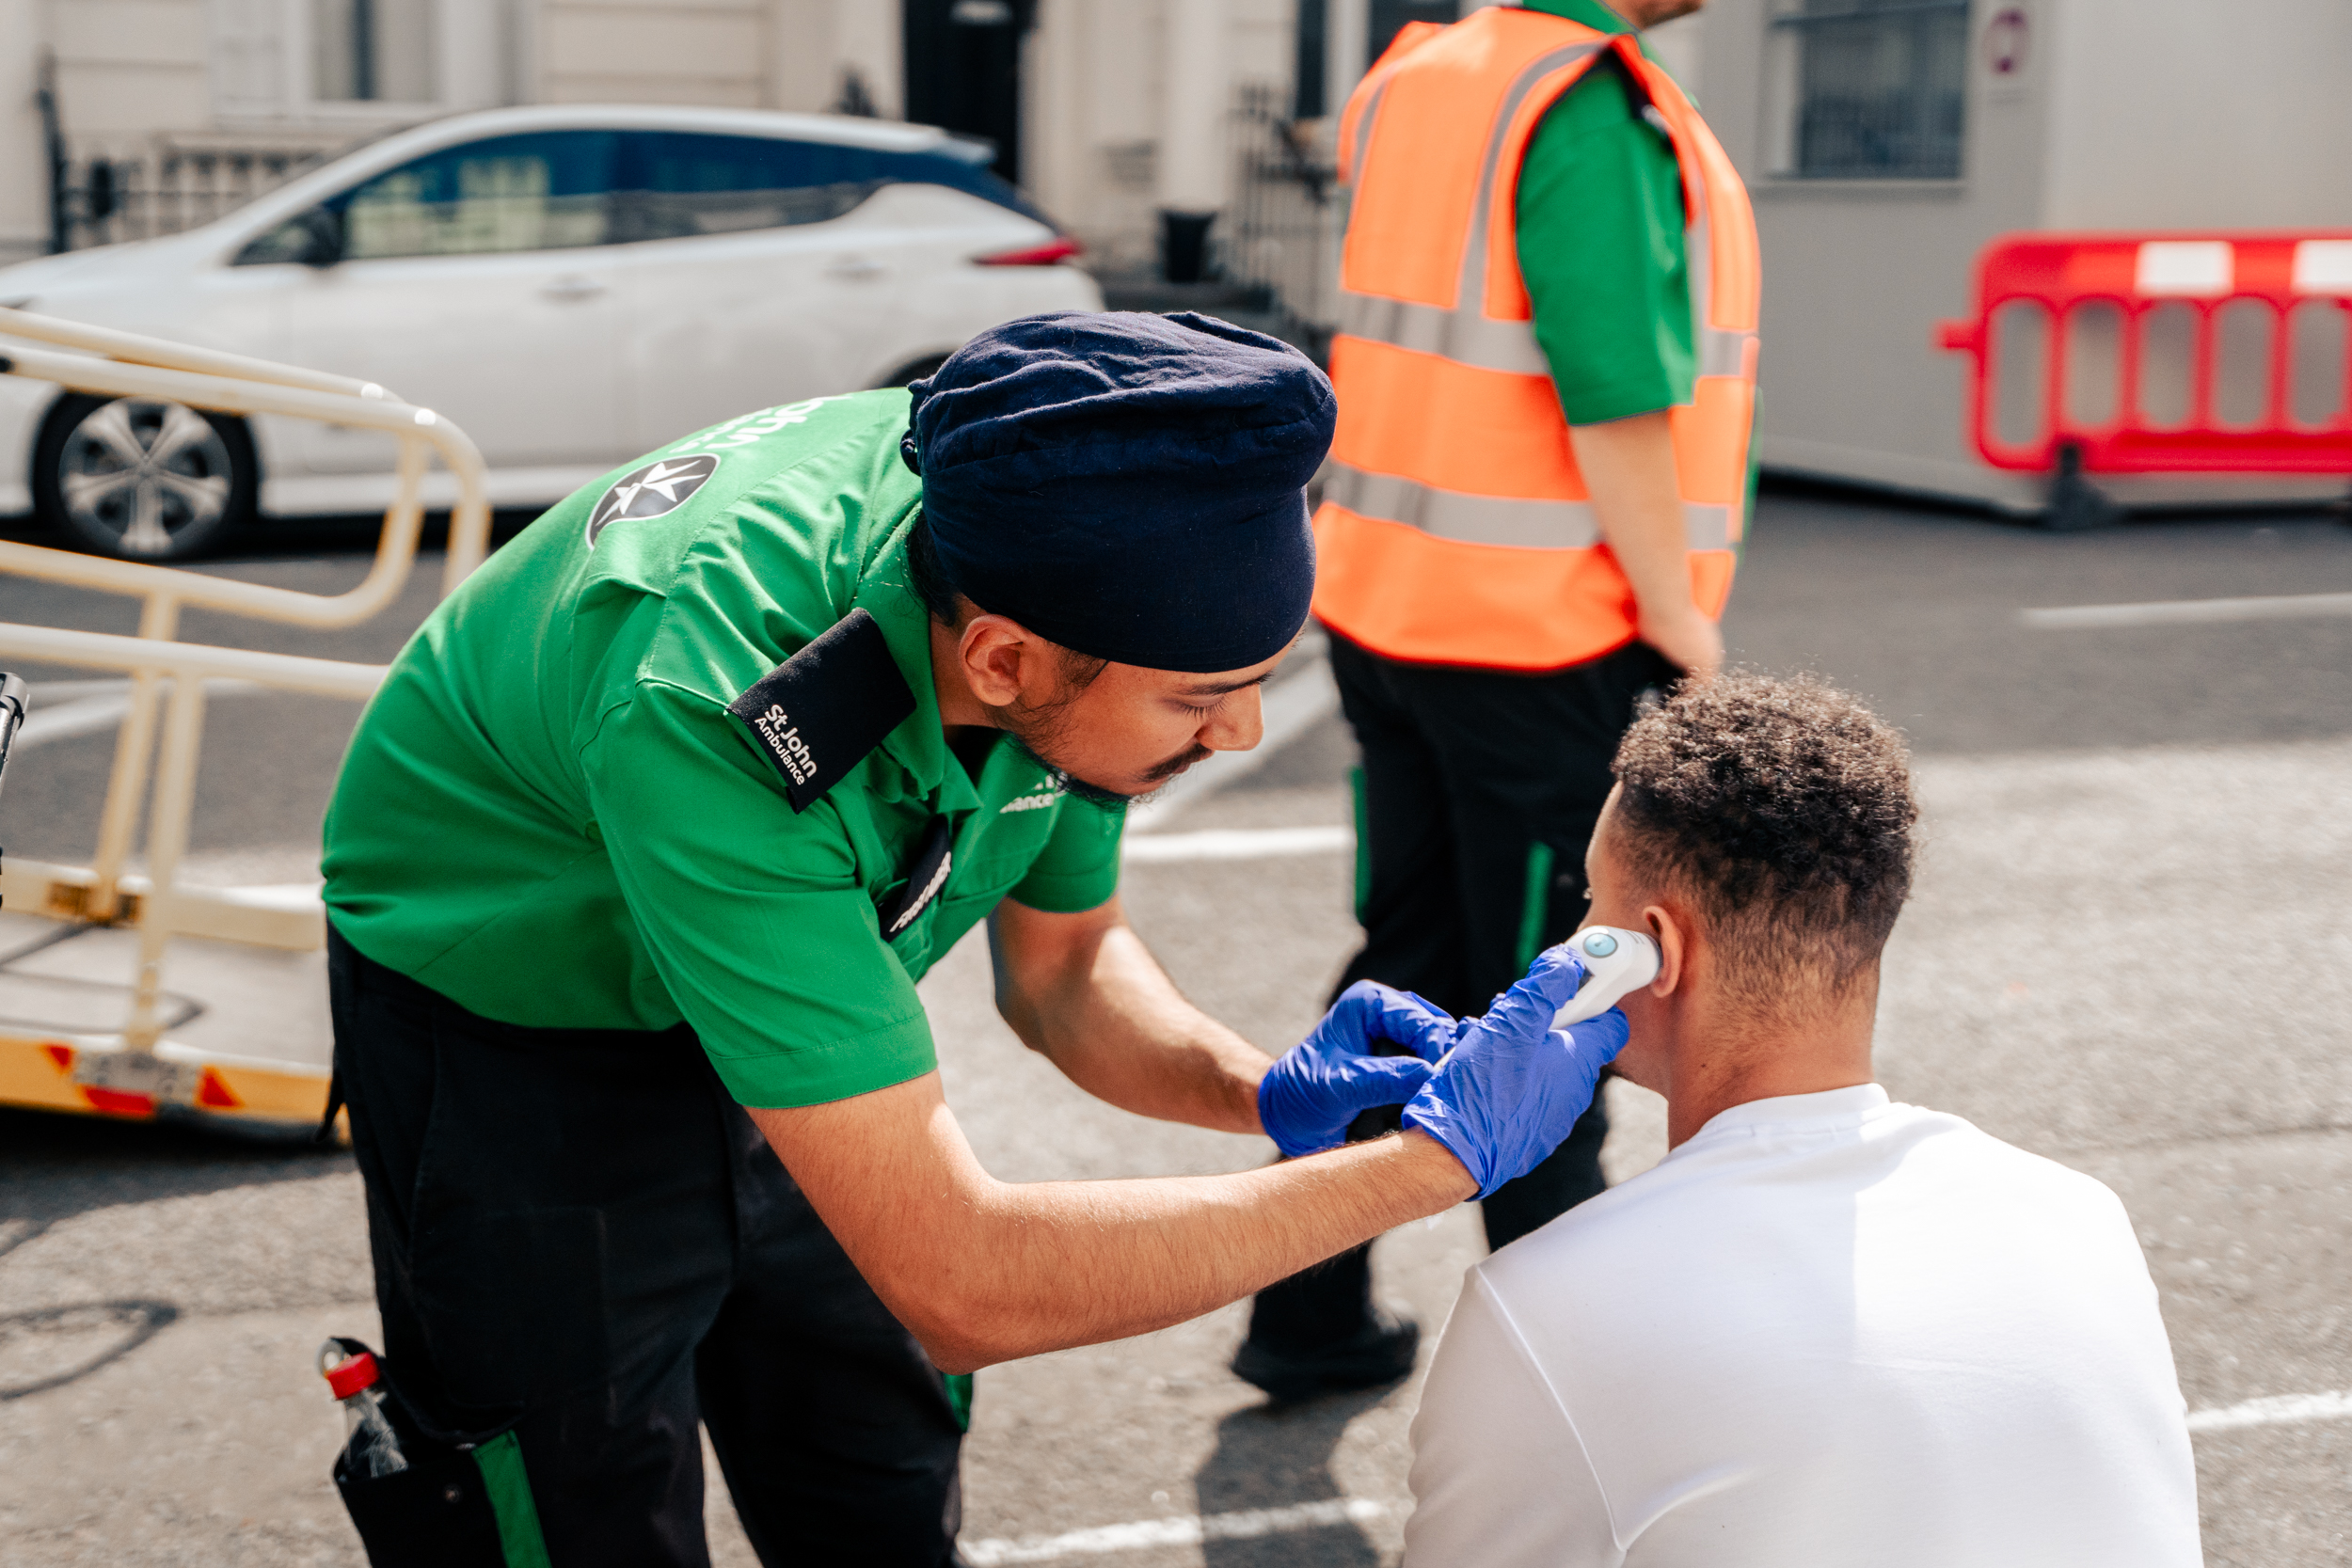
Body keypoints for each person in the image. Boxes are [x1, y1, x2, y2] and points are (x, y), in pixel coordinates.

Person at [317, 309, 1629, 1567]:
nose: (1236, 737)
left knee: (869, 1437)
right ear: (1000, 660)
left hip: (787, 969)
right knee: (570, 1492)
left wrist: (1262, 1092)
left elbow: (1064, 974)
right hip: (515, 1018)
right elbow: (966, 1279)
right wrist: (1433, 1162)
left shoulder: (1058, 518)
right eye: (1202, 700)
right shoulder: (716, 706)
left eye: (1260, 684)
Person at [1237, 0, 1761, 1398]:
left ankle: (1303, 1306)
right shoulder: (1583, 102)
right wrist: (1681, 623)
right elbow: (1617, 394)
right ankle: (1576, 1387)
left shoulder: (1423, 71)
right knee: (1557, 1012)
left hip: (1391, 602)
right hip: (1538, 640)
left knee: (1405, 959)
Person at [1401, 673, 2203, 1567]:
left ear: (1656, 949)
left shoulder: (1542, 1305)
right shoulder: (2080, 1216)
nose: (1575, 928)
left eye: (1590, 901)